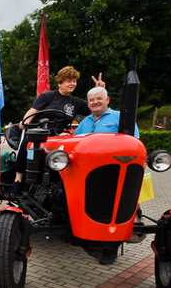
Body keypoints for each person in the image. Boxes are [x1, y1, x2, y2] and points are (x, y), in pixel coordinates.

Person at [75, 85, 139, 265]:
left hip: (112, 172)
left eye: (99, 98)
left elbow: (133, 143)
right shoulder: (85, 122)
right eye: (91, 100)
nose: (95, 102)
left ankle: (110, 248)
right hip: (87, 174)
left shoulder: (120, 117)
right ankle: (85, 235)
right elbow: (76, 143)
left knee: (114, 209)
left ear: (107, 100)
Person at [13, 66, 95, 183]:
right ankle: (18, 178)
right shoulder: (48, 96)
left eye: (74, 81)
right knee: (27, 144)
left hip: (57, 135)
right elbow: (32, 111)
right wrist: (25, 121)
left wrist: (99, 90)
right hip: (37, 132)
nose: (72, 84)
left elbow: (96, 108)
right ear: (60, 83)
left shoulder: (77, 102)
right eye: (69, 81)